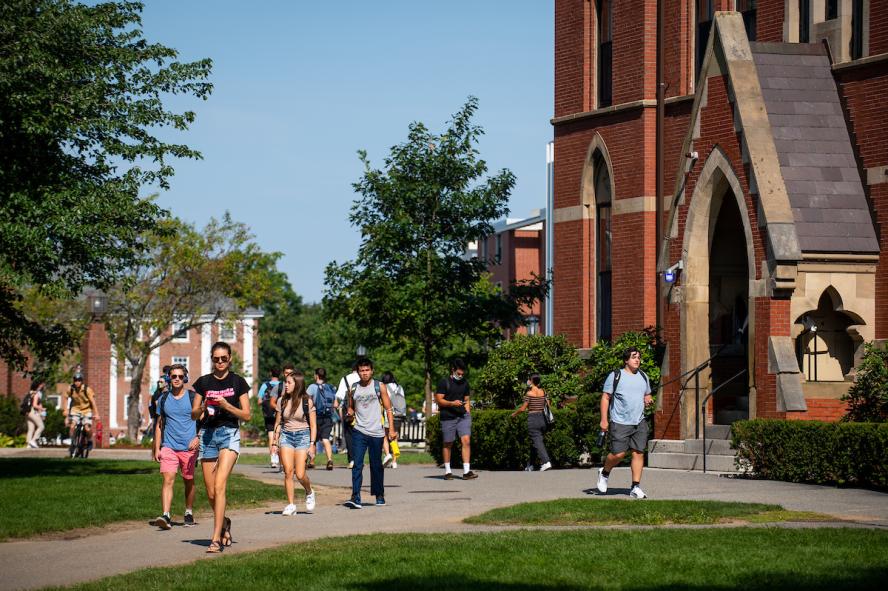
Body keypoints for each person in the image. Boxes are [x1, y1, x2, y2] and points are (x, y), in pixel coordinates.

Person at [191, 341, 252, 553]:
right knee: (210, 492)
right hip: (207, 435)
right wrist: (203, 406)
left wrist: (227, 405)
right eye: (216, 359)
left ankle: (215, 538)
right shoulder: (203, 382)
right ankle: (225, 522)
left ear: (229, 359)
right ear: (212, 359)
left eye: (223, 359)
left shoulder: (238, 382)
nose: (220, 362)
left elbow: (247, 414)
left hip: (229, 434)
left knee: (219, 486)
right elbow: (193, 414)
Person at [597, 346, 653, 499]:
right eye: (634, 356)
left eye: (639, 357)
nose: (637, 359)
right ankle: (604, 472)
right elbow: (605, 398)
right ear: (626, 360)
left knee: (638, 453)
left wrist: (648, 398)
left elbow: (647, 394)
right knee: (618, 454)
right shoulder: (616, 376)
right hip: (620, 421)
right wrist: (604, 420)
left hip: (639, 421)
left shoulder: (643, 376)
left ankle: (635, 487)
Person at [150, 364, 199, 530]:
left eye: (180, 376)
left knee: (188, 481)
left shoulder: (193, 397)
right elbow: (159, 424)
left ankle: (189, 511)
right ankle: (166, 515)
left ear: (185, 378)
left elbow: (204, 420)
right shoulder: (163, 399)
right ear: (169, 378)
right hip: (169, 446)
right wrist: (157, 448)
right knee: (168, 479)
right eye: (173, 376)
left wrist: (198, 438)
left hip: (189, 448)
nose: (177, 379)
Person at [343, 357, 397, 509]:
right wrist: (350, 412)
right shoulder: (353, 388)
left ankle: (379, 495)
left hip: (376, 432)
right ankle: (356, 497)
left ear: (372, 371)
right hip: (359, 431)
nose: (365, 373)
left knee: (376, 465)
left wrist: (391, 428)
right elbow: (352, 407)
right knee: (357, 464)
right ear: (358, 372)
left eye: (367, 370)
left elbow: (388, 409)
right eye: (362, 370)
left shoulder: (379, 386)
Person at [271, 370, 317, 516]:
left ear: (297, 384)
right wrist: (274, 442)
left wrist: (312, 444)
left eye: (289, 382)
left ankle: (309, 491)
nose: (286, 385)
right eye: (285, 382)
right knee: (288, 471)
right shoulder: (282, 401)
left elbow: (313, 425)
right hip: (286, 436)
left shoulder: (306, 401)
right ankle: (291, 504)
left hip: (303, 436)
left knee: (301, 474)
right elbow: (278, 423)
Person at [435, 358, 477, 480]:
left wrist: (468, 412)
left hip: (463, 417)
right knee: (448, 443)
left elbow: (467, 399)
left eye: (462, 374)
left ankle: (466, 471)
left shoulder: (465, 383)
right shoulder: (444, 382)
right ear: (452, 370)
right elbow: (439, 400)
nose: (461, 376)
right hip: (448, 417)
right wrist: (452, 403)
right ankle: (448, 471)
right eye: (458, 373)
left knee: (466, 441)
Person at [510, 374, 552, 472]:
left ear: (532, 381)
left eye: (529, 380)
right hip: (543, 418)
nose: (528, 381)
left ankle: (546, 462)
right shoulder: (544, 392)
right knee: (535, 442)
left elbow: (523, 408)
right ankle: (531, 465)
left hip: (533, 419)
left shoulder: (529, 393)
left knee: (537, 441)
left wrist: (514, 414)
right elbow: (548, 404)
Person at [307, 367, 336, 470]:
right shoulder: (331, 387)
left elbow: (309, 403)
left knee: (313, 439)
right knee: (325, 439)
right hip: (328, 417)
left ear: (316, 375)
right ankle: (329, 459)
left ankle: (312, 461)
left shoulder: (312, 387)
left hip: (315, 416)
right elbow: (335, 404)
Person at [63, 372, 100, 451]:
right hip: (75, 409)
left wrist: (96, 414)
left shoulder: (87, 389)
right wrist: (65, 410)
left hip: (86, 410)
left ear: (82, 381)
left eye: (79, 380)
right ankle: (73, 442)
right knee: (72, 426)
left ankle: (89, 440)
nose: (77, 382)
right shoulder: (71, 388)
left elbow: (93, 402)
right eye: (75, 380)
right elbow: (65, 398)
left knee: (87, 428)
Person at [334, 362, 360, 469]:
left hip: (348, 408)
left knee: (349, 434)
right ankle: (359, 458)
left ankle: (352, 459)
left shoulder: (345, 379)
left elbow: (339, 395)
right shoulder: (363, 378)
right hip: (361, 408)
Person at [257, 368, 282, 469]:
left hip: (268, 414)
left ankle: (273, 460)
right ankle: (281, 459)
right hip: (280, 413)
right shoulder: (283, 385)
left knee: (271, 435)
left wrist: (265, 402)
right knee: (279, 435)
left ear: (270, 373)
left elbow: (259, 401)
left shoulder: (265, 385)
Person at [380, 371, 405, 468]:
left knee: (385, 436)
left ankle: (387, 454)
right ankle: (394, 461)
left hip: (389, 414)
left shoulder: (384, 387)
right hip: (399, 415)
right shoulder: (399, 387)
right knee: (394, 437)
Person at [25, 381, 46, 448]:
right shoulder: (36, 394)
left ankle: (28, 444)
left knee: (31, 428)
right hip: (32, 412)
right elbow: (34, 405)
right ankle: (33, 440)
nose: (42, 386)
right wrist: (42, 409)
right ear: (38, 386)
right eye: (41, 385)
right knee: (41, 426)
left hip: (27, 412)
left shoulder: (30, 392)